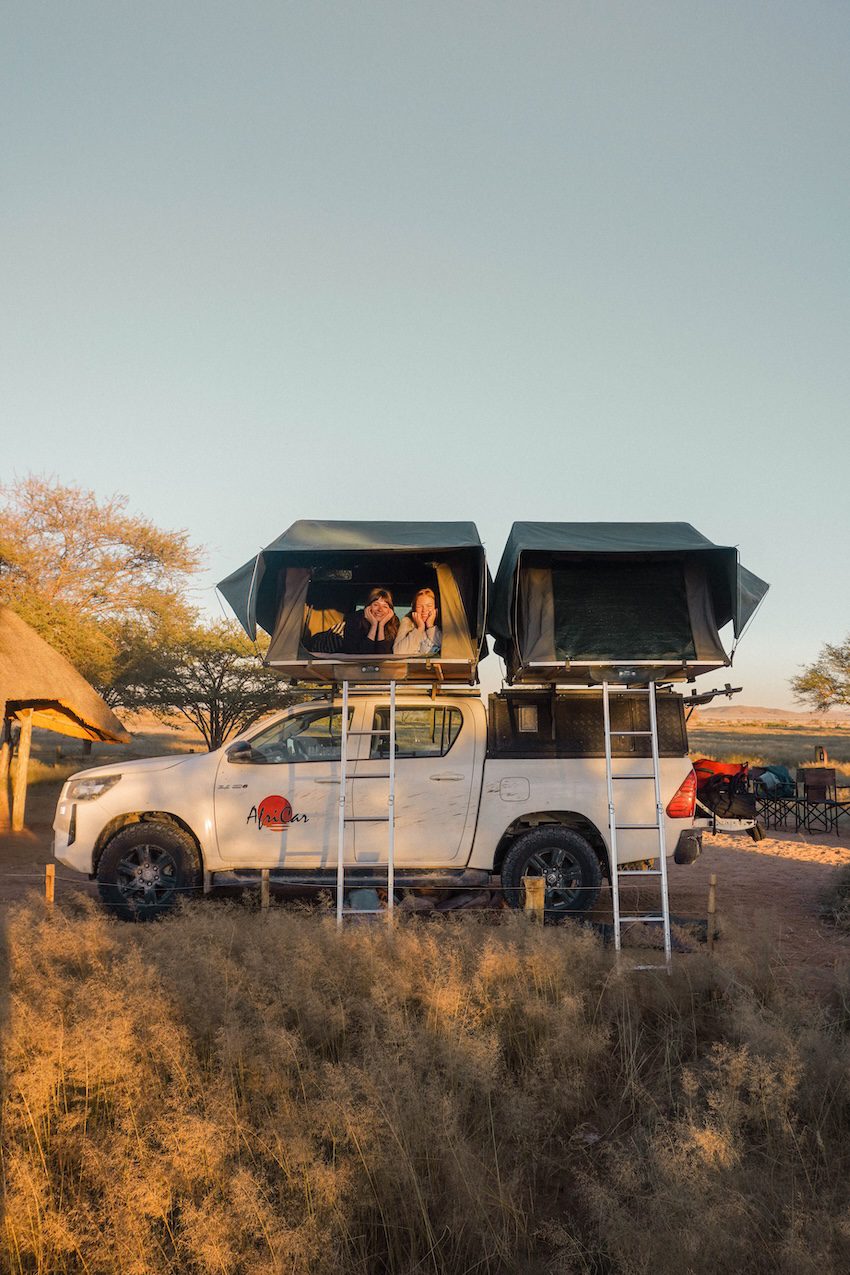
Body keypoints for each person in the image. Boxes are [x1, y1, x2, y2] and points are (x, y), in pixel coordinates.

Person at [317, 586, 399, 655]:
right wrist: (374, 626)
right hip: (324, 646)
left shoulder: (393, 623)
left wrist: (381, 626)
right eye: (376, 605)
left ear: (390, 611)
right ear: (368, 607)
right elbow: (360, 655)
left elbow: (383, 656)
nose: (380, 609)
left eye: (385, 606)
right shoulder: (355, 619)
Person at [393, 587, 442, 656]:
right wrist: (420, 628)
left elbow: (449, 648)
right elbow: (398, 652)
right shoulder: (407, 622)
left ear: (436, 608)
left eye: (429, 606)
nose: (424, 610)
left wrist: (430, 626)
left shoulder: (444, 622)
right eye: (419, 606)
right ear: (414, 609)